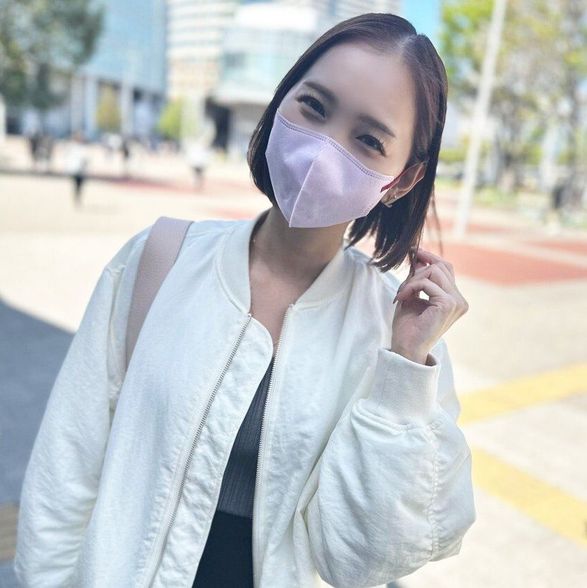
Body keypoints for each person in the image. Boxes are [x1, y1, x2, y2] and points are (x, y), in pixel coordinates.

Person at [13, 13, 476, 588]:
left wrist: (403, 373)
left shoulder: (393, 331)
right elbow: (67, 468)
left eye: (369, 140)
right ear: (280, 103)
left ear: (402, 180)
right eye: (314, 106)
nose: (324, 149)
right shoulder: (161, 258)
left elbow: (362, 560)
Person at [65, 131, 89, 207]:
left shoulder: (83, 147)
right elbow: (68, 158)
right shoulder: (72, 147)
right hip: (74, 169)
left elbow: (86, 158)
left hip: (81, 170)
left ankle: (78, 198)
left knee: (80, 186)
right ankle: (76, 198)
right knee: (76, 185)